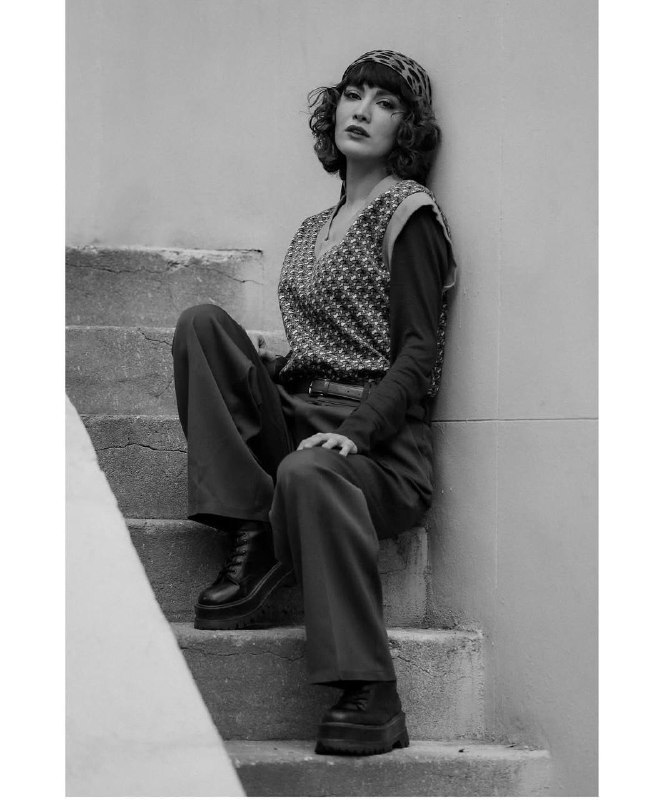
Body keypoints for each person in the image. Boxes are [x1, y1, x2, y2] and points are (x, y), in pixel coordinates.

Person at [171, 49, 457, 757]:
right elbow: (322, 343)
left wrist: (357, 431)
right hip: (304, 414)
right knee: (203, 326)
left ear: (406, 128)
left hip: (379, 450)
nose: (362, 111)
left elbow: (418, 353)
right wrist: (274, 371)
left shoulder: (410, 214)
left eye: (385, 103)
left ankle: (371, 695)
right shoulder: (308, 231)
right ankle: (254, 529)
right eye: (353, 95)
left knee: (308, 471)